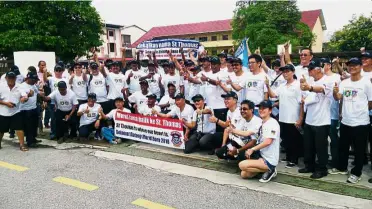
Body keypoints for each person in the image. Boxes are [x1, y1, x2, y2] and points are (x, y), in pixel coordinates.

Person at [332, 58, 372, 184]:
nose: (352, 67)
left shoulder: (366, 83)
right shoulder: (344, 83)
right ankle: (342, 168)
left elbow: (370, 102)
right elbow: (339, 97)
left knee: (359, 150)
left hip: (361, 122)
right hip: (346, 121)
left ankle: (357, 172)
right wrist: (335, 93)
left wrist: (360, 111)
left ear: (360, 67)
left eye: (355, 65)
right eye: (350, 65)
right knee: (343, 146)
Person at [298, 59, 332, 179]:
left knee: (320, 147)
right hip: (310, 119)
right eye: (308, 69)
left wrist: (309, 88)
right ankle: (309, 166)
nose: (309, 71)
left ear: (318, 69)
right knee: (308, 146)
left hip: (322, 121)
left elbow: (321, 89)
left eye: (311, 69)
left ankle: (322, 169)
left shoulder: (327, 80)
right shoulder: (311, 81)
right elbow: (305, 96)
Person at [265, 64, 303, 168]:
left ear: (293, 72)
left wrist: (300, 118)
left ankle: (294, 160)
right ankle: (288, 157)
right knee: (286, 139)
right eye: (284, 72)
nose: (285, 73)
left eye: (287, 71)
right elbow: (273, 95)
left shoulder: (298, 85)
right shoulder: (282, 86)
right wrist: (268, 86)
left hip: (293, 118)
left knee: (294, 140)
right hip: (283, 118)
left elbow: (301, 103)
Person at [238, 100, 280, 183]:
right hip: (261, 156)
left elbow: (268, 141)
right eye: (260, 108)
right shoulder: (261, 122)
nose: (261, 110)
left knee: (242, 165)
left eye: (264, 108)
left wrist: (252, 149)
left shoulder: (273, 123)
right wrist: (232, 130)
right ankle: (264, 170)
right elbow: (247, 132)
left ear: (270, 110)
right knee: (244, 174)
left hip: (269, 159)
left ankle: (271, 169)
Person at [0, 71, 29, 151]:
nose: (11, 79)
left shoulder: (19, 87)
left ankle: (22, 145)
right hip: (3, 112)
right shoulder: (1, 86)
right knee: (1, 130)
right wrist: (6, 103)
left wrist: (24, 99)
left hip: (15, 111)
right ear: (6, 78)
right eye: (9, 78)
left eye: (13, 78)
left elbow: (24, 96)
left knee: (19, 128)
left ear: (15, 78)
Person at [321, 58, 341, 170]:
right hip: (321, 115)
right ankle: (324, 159)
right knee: (322, 140)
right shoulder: (320, 78)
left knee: (334, 139)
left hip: (333, 114)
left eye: (323, 64)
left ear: (328, 65)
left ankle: (335, 161)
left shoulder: (337, 77)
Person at [43, 64, 69, 139]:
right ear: (54, 71)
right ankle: (53, 133)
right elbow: (45, 80)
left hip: (62, 101)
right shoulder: (51, 78)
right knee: (53, 118)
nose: (58, 72)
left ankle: (63, 132)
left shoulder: (65, 79)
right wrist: (45, 72)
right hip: (53, 101)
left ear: (62, 71)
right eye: (56, 70)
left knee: (62, 118)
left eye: (60, 70)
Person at [19, 72, 41, 147]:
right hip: (26, 110)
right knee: (29, 126)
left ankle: (33, 138)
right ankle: (30, 142)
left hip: (34, 108)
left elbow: (37, 93)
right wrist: (28, 95)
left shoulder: (33, 85)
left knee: (34, 125)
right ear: (29, 79)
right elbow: (23, 98)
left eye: (35, 80)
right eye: (34, 79)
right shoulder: (22, 86)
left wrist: (41, 93)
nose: (35, 81)